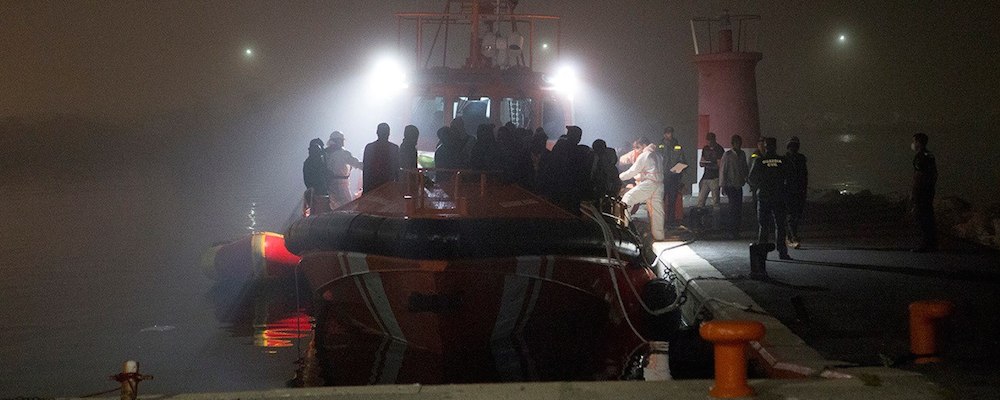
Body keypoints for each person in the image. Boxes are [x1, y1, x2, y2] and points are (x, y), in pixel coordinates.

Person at [747, 137, 791, 259]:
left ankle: (762, 254)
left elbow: (751, 178)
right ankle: (782, 252)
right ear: (775, 146)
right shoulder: (782, 160)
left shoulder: (760, 160)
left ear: (765, 147)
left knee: (764, 225)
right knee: (780, 225)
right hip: (779, 196)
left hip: (764, 196)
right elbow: (789, 176)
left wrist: (760, 185)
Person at [619, 137, 665, 240]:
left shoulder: (644, 155)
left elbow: (632, 171)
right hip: (659, 185)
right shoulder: (658, 155)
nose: (637, 150)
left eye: (638, 147)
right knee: (657, 211)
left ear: (644, 145)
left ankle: (622, 229)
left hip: (649, 184)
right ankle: (659, 236)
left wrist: (619, 177)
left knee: (628, 198)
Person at [911, 132, 937, 252]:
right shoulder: (930, 155)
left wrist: (915, 192)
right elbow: (934, 174)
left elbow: (919, 176)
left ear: (918, 143)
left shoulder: (920, 157)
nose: (913, 144)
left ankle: (926, 244)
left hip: (922, 190)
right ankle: (931, 242)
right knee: (928, 216)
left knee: (922, 216)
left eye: (914, 141)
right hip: (929, 189)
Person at [719, 134, 749, 239]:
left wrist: (747, 178)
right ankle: (731, 230)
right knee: (732, 208)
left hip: (738, 184)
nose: (739, 145)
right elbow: (723, 170)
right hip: (730, 185)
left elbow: (745, 167)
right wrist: (722, 185)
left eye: (740, 143)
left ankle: (737, 230)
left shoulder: (742, 154)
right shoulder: (727, 155)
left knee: (738, 208)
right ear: (733, 143)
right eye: (737, 142)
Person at [325, 131, 363, 209]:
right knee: (348, 207)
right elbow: (357, 164)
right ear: (338, 141)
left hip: (329, 185)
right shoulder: (344, 154)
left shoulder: (325, 154)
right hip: (342, 185)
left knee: (334, 207)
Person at [658, 127, 688, 227]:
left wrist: (675, 172)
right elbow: (656, 161)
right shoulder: (660, 147)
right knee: (660, 200)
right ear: (664, 134)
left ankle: (670, 221)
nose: (669, 135)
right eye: (667, 133)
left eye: (670, 133)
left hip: (673, 178)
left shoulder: (677, 146)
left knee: (672, 200)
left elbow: (683, 162)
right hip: (662, 178)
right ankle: (660, 221)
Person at [784, 136, 808, 248]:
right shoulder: (784, 159)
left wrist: (804, 189)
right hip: (789, 191)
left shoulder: (801, 158)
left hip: (799, 191)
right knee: (791, 215)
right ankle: (792, 236)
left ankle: (791, 235)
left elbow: (804, 176)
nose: (793, 148)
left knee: (796, 215)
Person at [362, 123, 400, 194]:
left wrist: (365, 190)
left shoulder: (369, 147)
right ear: (389, 133)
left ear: (377, 132)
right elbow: (397, 170)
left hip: (372, 187)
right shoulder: (394, 148)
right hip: (388, 187)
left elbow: (366, 170)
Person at [696, 131, 724, 209]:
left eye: (710, 140)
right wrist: (708, 163)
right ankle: (701, 217)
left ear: (714, 140)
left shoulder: (719, 149)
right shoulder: (705, 148)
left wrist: (707, 164)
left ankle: (716, 218)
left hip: (715, 178)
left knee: (715, 202)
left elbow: (720, 165)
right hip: (706, 177)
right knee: (701, 201)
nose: (709, 142)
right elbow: (701, 163)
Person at [303, 138, 329, 215]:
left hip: (318, 193)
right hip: (318, 194)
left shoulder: (312, 161)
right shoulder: (314, 162)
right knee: (319, 214)